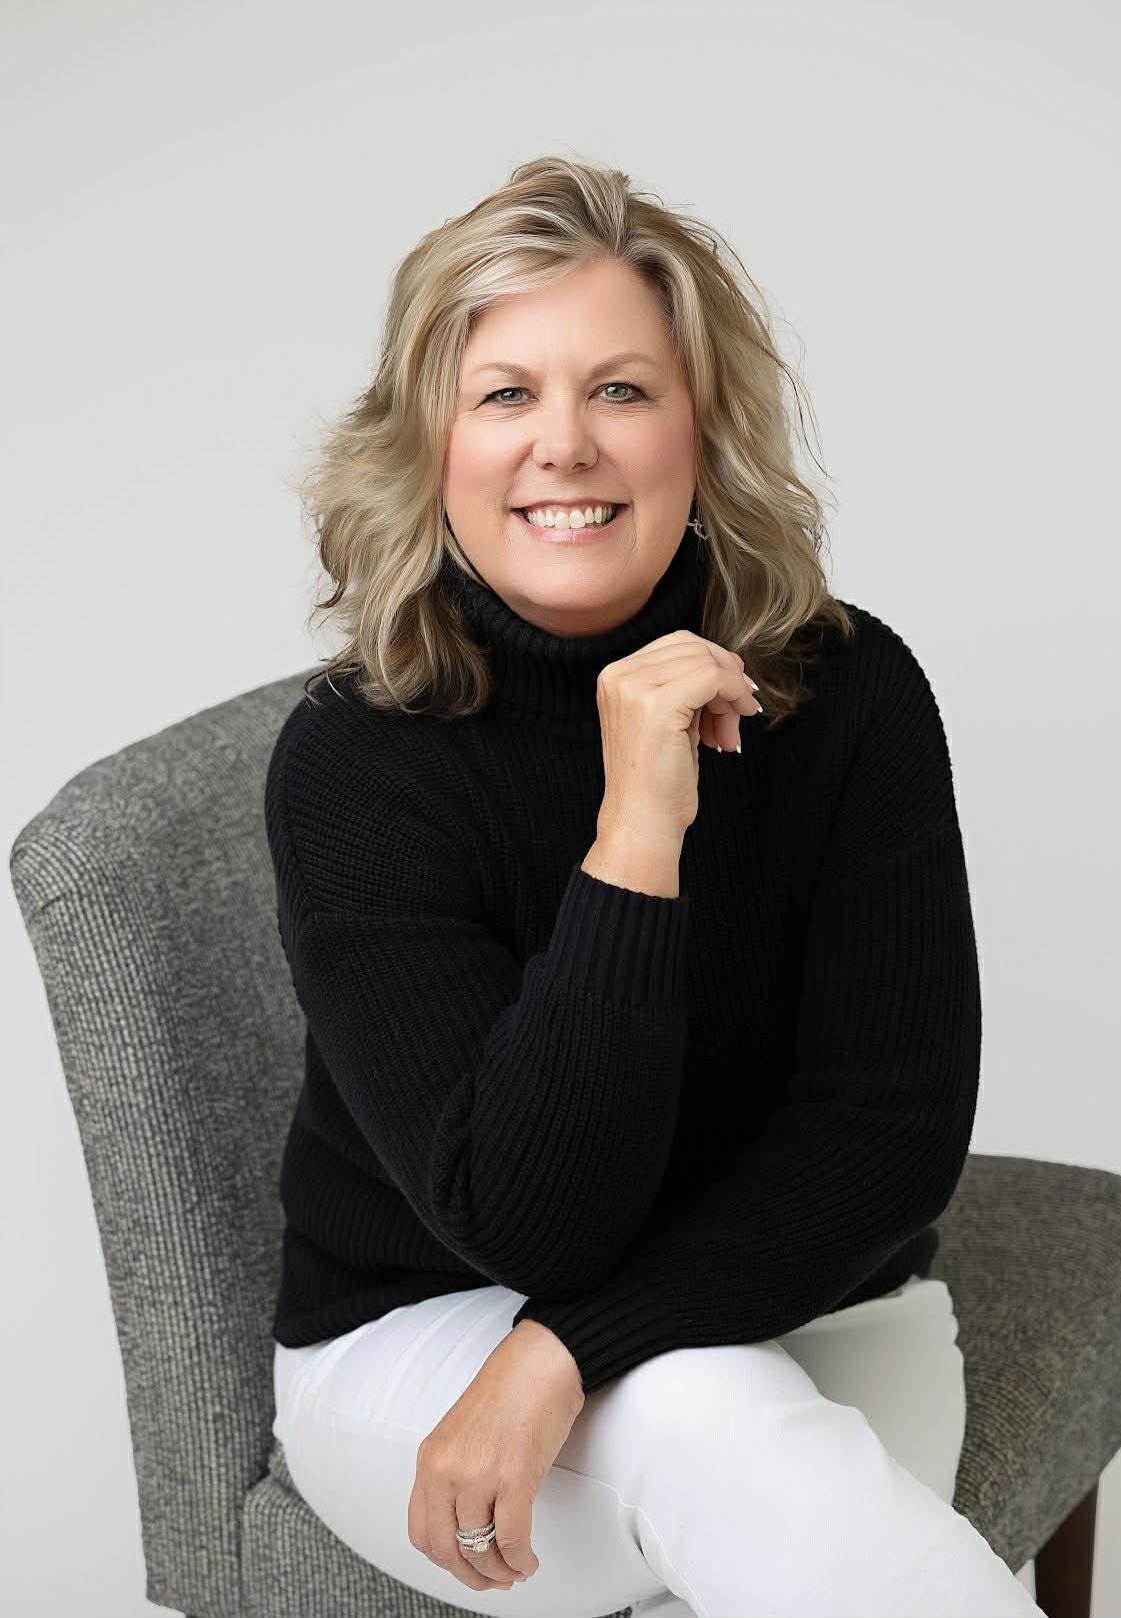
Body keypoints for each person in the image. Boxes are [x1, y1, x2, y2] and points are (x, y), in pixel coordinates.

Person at [266, 154, 1043, 1617]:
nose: (564, 445)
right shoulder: (358, 761)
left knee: (758, 1482)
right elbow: (534, 1227)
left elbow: (888, 1134)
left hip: (812, 1302)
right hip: (429, 1327)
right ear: (431, 443)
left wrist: (570, 1349)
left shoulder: (851, 689)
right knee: (710, 1426)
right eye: (506, 394)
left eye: (620, 390)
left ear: (703, 429)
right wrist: (637, 830)